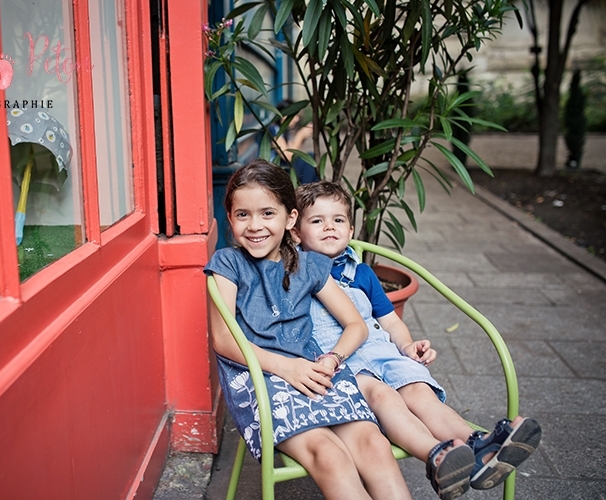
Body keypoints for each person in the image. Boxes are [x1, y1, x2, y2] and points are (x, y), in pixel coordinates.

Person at [205, 159, 477, 499]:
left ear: (290, 219)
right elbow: (224, 339)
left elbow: (355, 325)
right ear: (229, 219)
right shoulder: (228, 264)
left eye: (267, 213)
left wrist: (333, 358)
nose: (255, 225)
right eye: (243, 214)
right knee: (330, 455)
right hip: (263, 379)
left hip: (318, 373)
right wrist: (288, 367)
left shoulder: (309, 265)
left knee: (372, 442)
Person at [293, 180, 542, 497]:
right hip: (347, 364)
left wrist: (408, 346)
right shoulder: (295, 271)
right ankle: (439, 456)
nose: (330, 227)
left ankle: (479, 447)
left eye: (338, 220)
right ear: (296, 231)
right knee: (386, 397)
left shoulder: (363, 274)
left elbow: (391, 322)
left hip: (382, 353)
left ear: (351, 229)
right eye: (317, 221)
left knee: (420, 392)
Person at [268, 100, 319, 184]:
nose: (297, 119)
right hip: (277, 173)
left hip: (284, 169)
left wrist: (303, 137)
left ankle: (309, 189)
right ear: (283, 115)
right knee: (310, 161)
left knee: (310, 158)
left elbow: (293, 149)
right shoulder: (273, 131)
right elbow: (288, 156)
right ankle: (306, 191)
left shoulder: (284, 131)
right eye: (294, 116)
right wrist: (300, 135)